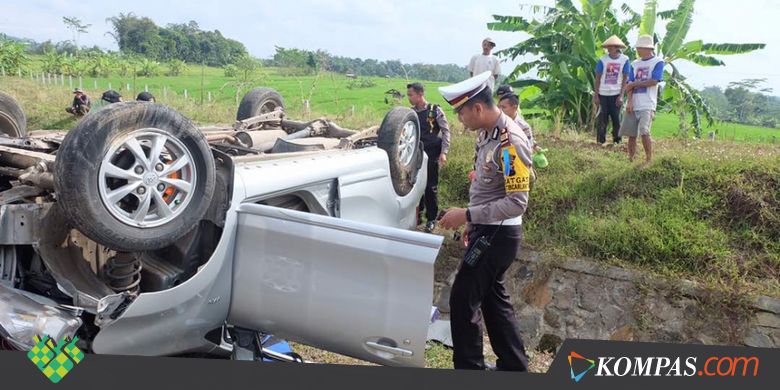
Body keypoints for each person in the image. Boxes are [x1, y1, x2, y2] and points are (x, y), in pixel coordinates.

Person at [438, 71, 531, 371]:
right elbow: (490, 187)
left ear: (477, 108)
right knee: (494, 300)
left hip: (498, 235)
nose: (460, 120)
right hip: (487, 229)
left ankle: (469, 368)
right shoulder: (487, 133)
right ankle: (514, 367)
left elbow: (517, 201)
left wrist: (466, 215)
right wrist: (472, 222)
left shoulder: (509, 141)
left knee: (463, 298)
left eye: (461, 113)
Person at [406, 82, 451, 233]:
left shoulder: (435, 110)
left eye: (410, 95)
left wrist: (444, 152)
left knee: (430, 187)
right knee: (413, 185)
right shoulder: (410, 113)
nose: (409, 98)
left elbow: (445, 131)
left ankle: (431, 219)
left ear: (420, 94)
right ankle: (416, 215)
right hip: (414, 156)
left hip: (431, 154)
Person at [620, 35, 665, 165]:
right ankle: (631, 158)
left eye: (640, 48)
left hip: (648, 103)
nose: (638, 50)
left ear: (647, 48)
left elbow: (654, 81)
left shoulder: (658, 62)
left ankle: (648, 159)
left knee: (644, 130)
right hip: (634, 103)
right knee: (631, 134)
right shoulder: (635, 64)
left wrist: (634, 84)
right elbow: (629, 84)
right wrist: (629, 101)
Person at [593, 35, 631, 145]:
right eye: (608, 46)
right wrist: (596, 95)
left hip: (616, 93)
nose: (609, 48)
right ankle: (600, 142)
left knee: (617, 119)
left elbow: (625, 78)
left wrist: (621, 95)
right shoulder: (603, 60)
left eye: (611, 46)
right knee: (602, 119)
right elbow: (598, 78)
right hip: (603, 93)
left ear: (616, 47)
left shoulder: (625, 60)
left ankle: (617, 141)